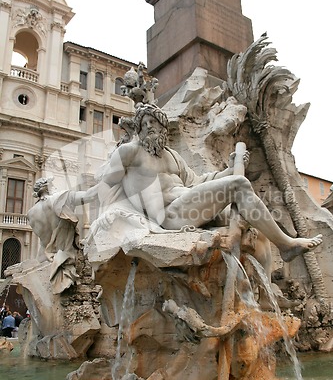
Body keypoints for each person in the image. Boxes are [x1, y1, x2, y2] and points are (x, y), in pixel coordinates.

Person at [100, 103, 322, 263]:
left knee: (257, 230)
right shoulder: (130, 153)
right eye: (144, 124)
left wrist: (229, 168)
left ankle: (266, 298)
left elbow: (198, 182)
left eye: (153, 122)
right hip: (169, 217)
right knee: (239, 184)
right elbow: (107, 185)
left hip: (190, 206)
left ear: (162, 127)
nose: (148, 127)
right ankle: (286, 244)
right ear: (138, 130)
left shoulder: (173, 156)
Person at [27, 177, 100, 294]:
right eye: (52, 184)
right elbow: (90, 196)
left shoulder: (31, 213)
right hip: (65, 259)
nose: (55, 187)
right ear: (47, 187)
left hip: (43, 260)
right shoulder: (61, 199)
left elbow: (43, 240)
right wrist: (110, 179)